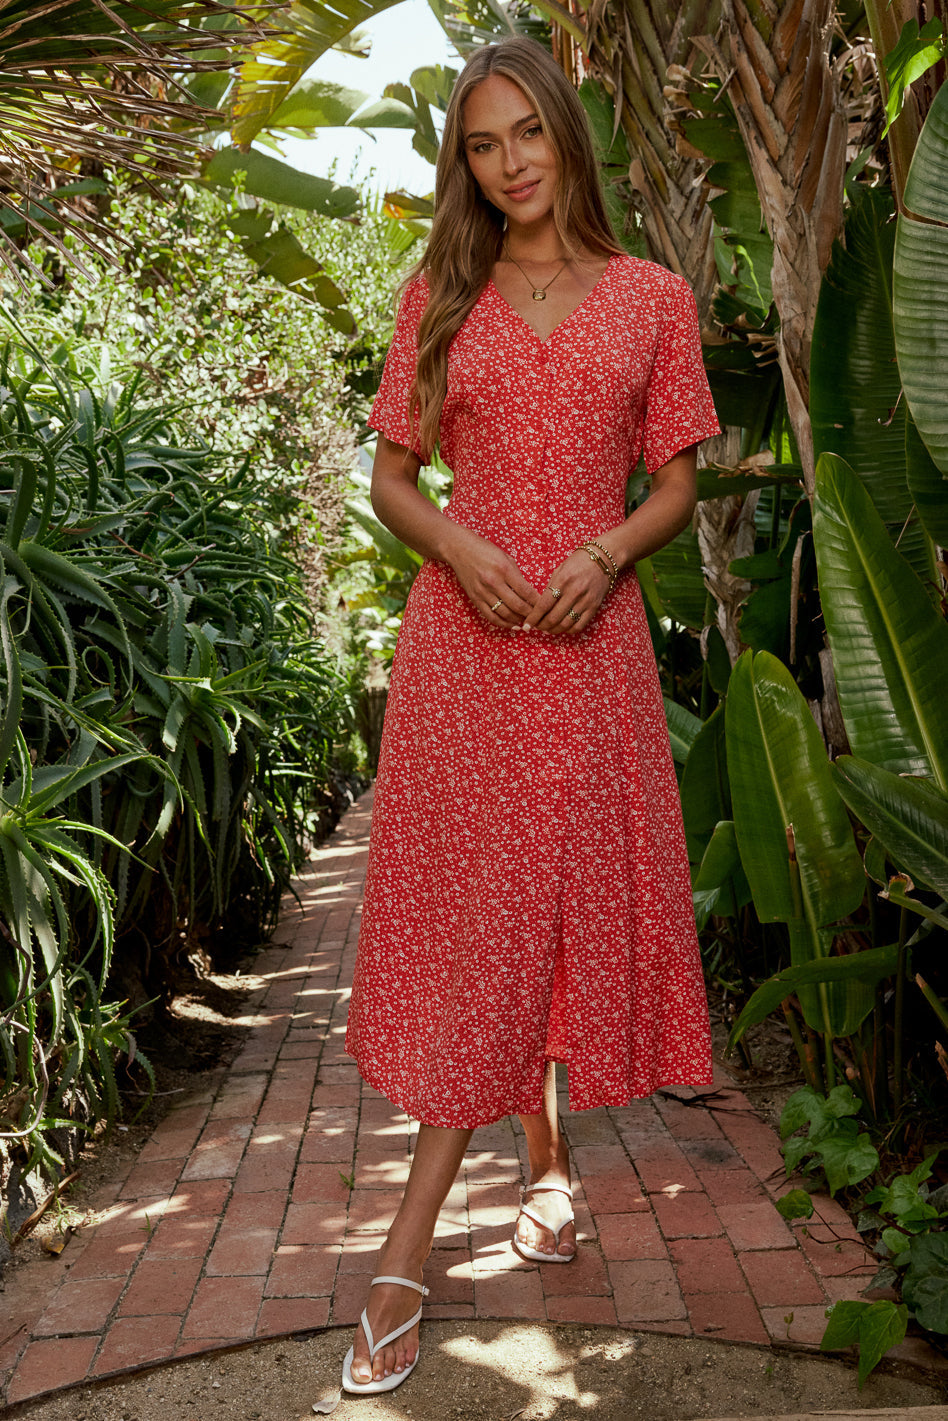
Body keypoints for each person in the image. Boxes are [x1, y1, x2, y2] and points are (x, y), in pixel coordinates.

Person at [342, 34, 720, 1394]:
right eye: (481, 145)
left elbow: (676, 480)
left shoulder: (651, 300)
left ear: (566, 133)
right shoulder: (440, 294)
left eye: (526, 136)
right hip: (470, 650)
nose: (507, 166)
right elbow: (391, 476)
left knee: (547, 904)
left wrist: (610, 552)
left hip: (592, 637)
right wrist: (459, 545)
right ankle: (405, 1253)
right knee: (491, 918)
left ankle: (542, 1159)